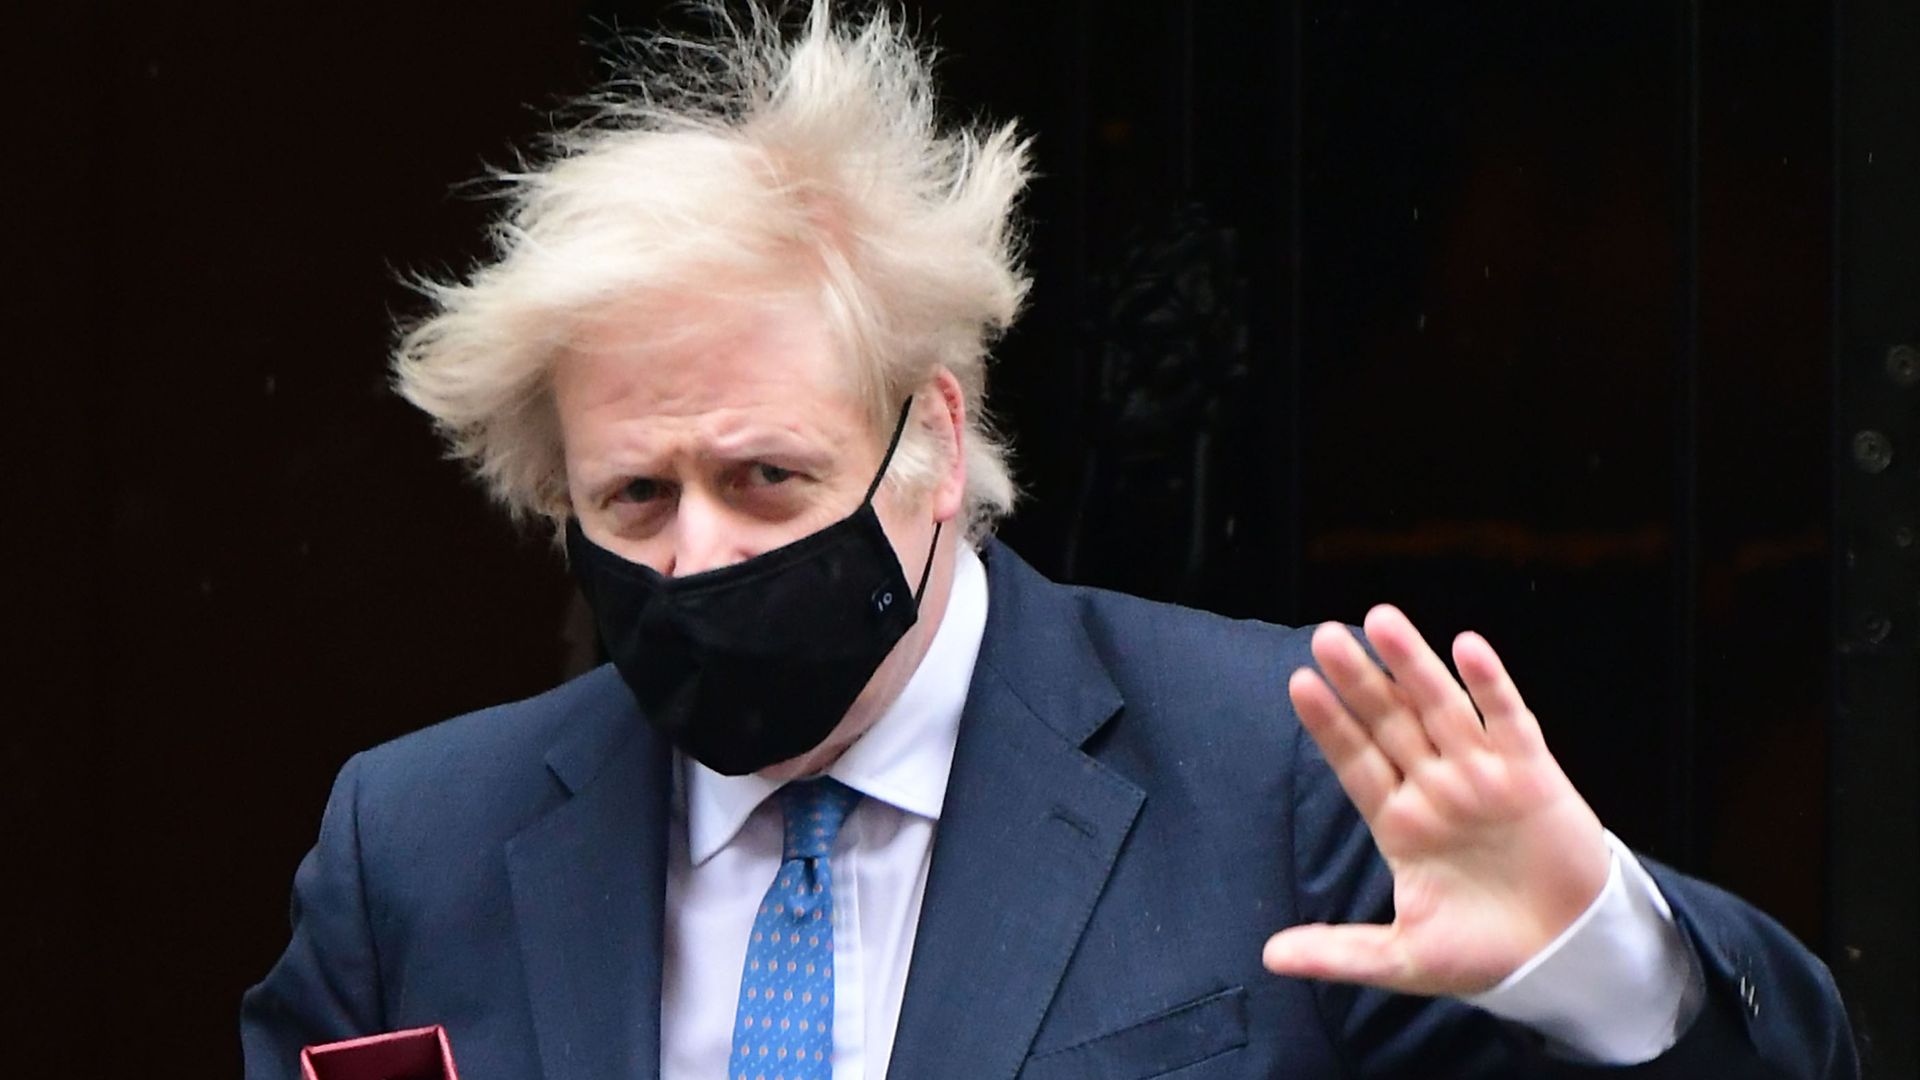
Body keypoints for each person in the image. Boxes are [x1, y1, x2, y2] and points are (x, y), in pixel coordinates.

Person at [240, 4, 1856, 1077]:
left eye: (771, 481)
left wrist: (1600, 958)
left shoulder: (1283, 771)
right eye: (635, 501)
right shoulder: (416, 848)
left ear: (936, 443)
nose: (705, 556)